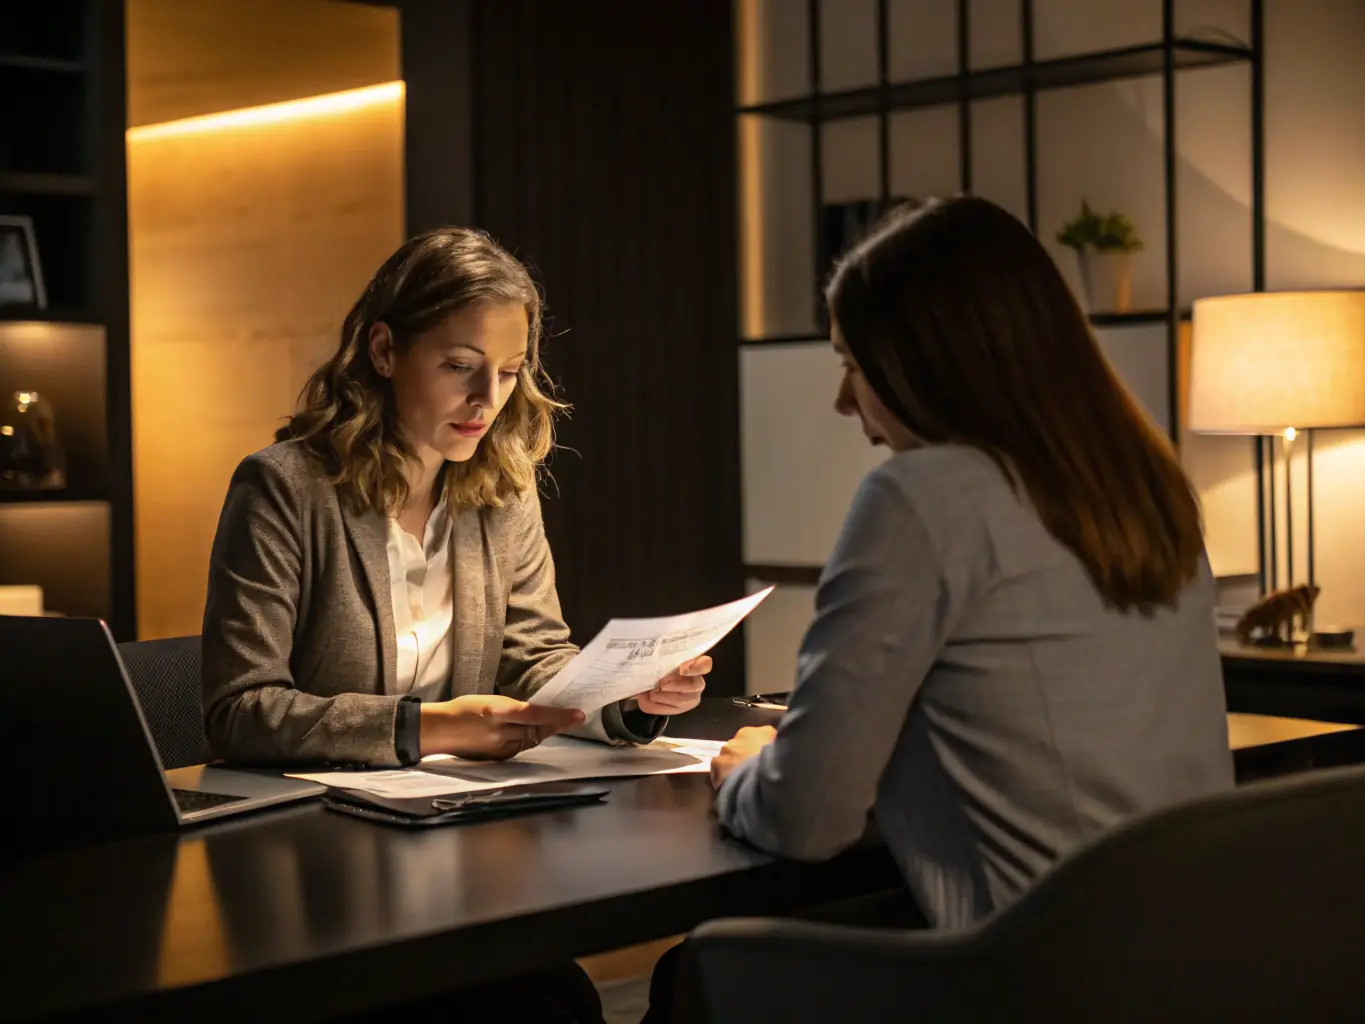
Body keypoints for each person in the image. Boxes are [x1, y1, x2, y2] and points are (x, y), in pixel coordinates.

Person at [646, 196, 1233, 1020]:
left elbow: (806, 817)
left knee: (700, 966)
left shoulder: (921, 497)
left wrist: (746, 773)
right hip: (1187, 965)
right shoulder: (1143, 489)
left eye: (853, 363)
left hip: (1029, 979)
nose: (843, 402)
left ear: (929, 360)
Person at [201, 227, 710, 1022]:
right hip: (321, 866)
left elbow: (535, 655)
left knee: (560, 997)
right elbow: (240, 709)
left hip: (458, 841)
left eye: (508, 373)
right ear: (381, 350)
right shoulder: (284, 489)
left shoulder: (501, 490)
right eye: (459, 367)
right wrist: (431, 726)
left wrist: (630, 696)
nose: (487, 401)